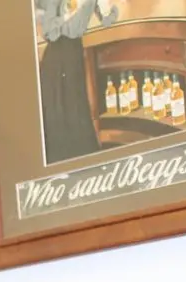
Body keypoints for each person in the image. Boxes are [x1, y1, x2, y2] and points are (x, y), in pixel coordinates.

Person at [37, 0, 120, 164]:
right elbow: (48, 31)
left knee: (78, 114)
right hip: (57, 58)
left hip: (74, 53)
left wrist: (108, 7)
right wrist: (70, 13)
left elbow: (107, 20)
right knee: (61, 120)